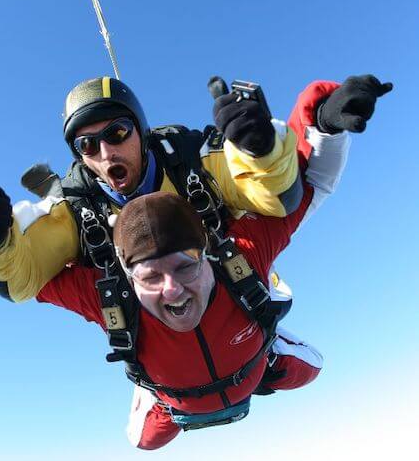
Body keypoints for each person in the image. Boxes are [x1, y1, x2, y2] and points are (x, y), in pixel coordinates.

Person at [0, 75, 385, 305]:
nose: (106, 154)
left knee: (294, 363)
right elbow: (23, 275)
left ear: (142, 132)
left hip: (225, 290)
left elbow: (278, 197)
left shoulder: (191, 162)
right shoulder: (76, 209)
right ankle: (158, 391)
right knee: (145, 437)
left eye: (117, 134)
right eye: (87, 145)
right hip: (152, 325)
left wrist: (266, 148)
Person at [37, 190, 324, 449]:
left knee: (314, 368)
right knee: (142, 441)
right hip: (175, 401)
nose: (171, 289)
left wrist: (323, 129)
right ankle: (158, 394)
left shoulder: (242, 255)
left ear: (207, 254)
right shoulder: (108, 296)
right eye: (150, 277)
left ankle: (268, 344)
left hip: (253, 365)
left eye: (185, 267)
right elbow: (20, 280)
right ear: (129, 278)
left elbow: (310, 186)